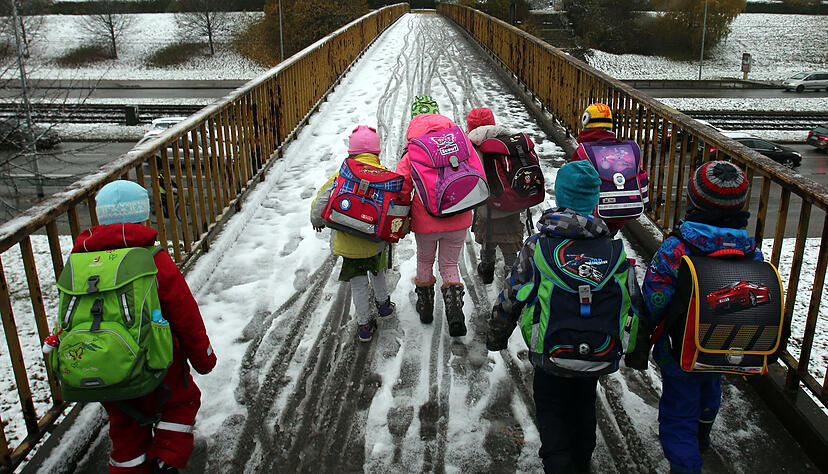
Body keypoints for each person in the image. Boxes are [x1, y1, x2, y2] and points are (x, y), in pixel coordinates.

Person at [487, 161, 635, 473]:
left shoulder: (538, 245)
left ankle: (557, 462)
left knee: (551, 410)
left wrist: (497, 334)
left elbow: (512, 294)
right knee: (584, 406)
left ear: (561, 195)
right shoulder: (611, 248)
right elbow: (632, 302)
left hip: (550, 351)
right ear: (595, 201)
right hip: (597, 349)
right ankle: (581, 462)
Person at [626, 161, 761, 474]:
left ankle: (685, 463)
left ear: (693, 200)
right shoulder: (750, 250)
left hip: (681, 348)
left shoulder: (678, 248)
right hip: (725, 344)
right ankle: (702, 433)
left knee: (678, 409)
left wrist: (646, 332)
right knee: (711, 386)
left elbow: (655, 299)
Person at [77, 180, 216, 474]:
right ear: (143, 219)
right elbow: (185, 315)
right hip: (157, 364)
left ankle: (128, 468)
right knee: (181, 403)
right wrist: (203, 358)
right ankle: (166, 459)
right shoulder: (154, 260)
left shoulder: (81, 263)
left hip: (107, 367)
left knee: (125, 425)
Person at [310, 125, 396, 342]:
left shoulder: (343, 174)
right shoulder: (384, 175)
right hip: (374, 241)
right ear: (376, 151)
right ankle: (384, 305)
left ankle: (364, 325)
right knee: (377, 272)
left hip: (349, 244)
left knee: (358, 284)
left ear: (352, 152)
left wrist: (317, 220)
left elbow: (321, 200)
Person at [396, 97, 472, 337]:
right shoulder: (459, 145)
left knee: (425, 261)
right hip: (458, 217)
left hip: (425, 221)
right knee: (449, 264)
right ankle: (455, 310)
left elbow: (401, 187)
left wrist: (402, 212)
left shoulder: (412, 152)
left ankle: (426, 307)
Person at [465, 107, 524, 284]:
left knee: (488, 238)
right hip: (512, 203)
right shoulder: (508, 140)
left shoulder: (472, 147)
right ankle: (512, 276)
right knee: (510, 241)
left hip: (488, 207)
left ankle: (487, 269)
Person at [570, 102, 648, 233]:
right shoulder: (625, 150)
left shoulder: (583, 152)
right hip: (618, 216)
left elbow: (571, 183)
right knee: (608, 237)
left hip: (590, 219)